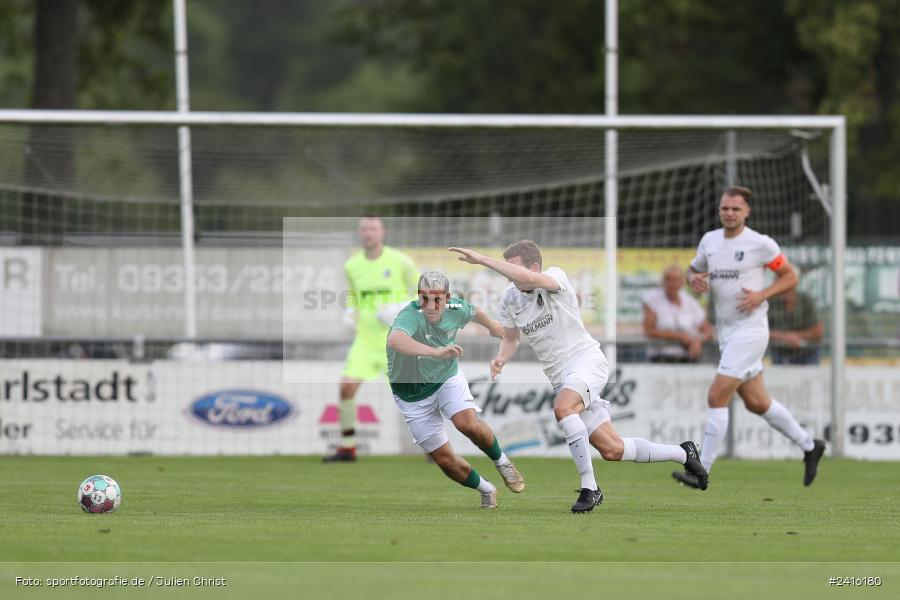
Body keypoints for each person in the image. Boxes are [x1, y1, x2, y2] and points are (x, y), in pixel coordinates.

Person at [449, 241, 707, 513]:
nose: (509, 275)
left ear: (534, 267)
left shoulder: (555, 276)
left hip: (586, 362)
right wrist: (501, 358)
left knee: (563, 408)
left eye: (512, 268)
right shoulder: (510, 298)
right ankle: (683, 453)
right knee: (612, 449)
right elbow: (512, 339)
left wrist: (483, 260)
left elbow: (528, 279)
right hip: (560, 377)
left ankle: (590, 488)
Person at [675, 186, 826, 489]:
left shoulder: (760, 244)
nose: (729, 213)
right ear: (720, 210)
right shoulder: (710, 241)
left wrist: (761, 295)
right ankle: (810, 445)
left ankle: (701, 470)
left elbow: (790, 276)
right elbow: (691, 272)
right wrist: (694, 279)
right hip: (726, 333)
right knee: (757, 402)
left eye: (736, 209)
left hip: (751, 331)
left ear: (747, 212)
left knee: (716, 396)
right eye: (725, 208)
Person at [387, 271, 525, 509]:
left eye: (437, 299)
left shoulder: (456, 307)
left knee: (467, 424)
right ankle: (487, 489)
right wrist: (436, 352)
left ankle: (502, 462)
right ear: (418, 296)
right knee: (444, 460)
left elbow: (474, 311)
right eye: (424, 298)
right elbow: (395, 340)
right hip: (411, 395)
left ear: (448, 298)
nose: (430, 306)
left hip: (445, 379)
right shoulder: (411, 315)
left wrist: (492, 326)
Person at [323, 216, 419, 462]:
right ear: (359, 233)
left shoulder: (401, 261)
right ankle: (347, 447)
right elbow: (354, 296)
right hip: (365, 342)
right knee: (346, 387)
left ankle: (435, 448)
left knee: (415, 396)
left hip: (397, 341)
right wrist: (350, 311)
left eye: (373, 228)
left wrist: (397, 310)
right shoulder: (352, 265)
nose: (368, 233)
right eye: (364, 229)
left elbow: (423, 295)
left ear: (382, 232)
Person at [642, 265, 713, 363]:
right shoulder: (652, 300)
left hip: (688, 359)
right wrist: (679, 336)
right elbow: (649, 330)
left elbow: (708, 331)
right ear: (663, 282)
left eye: (675, 280)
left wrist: (697, 340)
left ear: (682, 282)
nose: (671, 284)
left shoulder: (690, 302)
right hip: (661, 358)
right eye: (668, 279)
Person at [768, 287, 824, 365]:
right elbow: (761, 331)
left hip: (808, 353)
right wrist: (785, 337)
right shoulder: (770, 302)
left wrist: (795, 336)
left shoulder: (806, 300)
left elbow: (818, 332)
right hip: (780, 354)